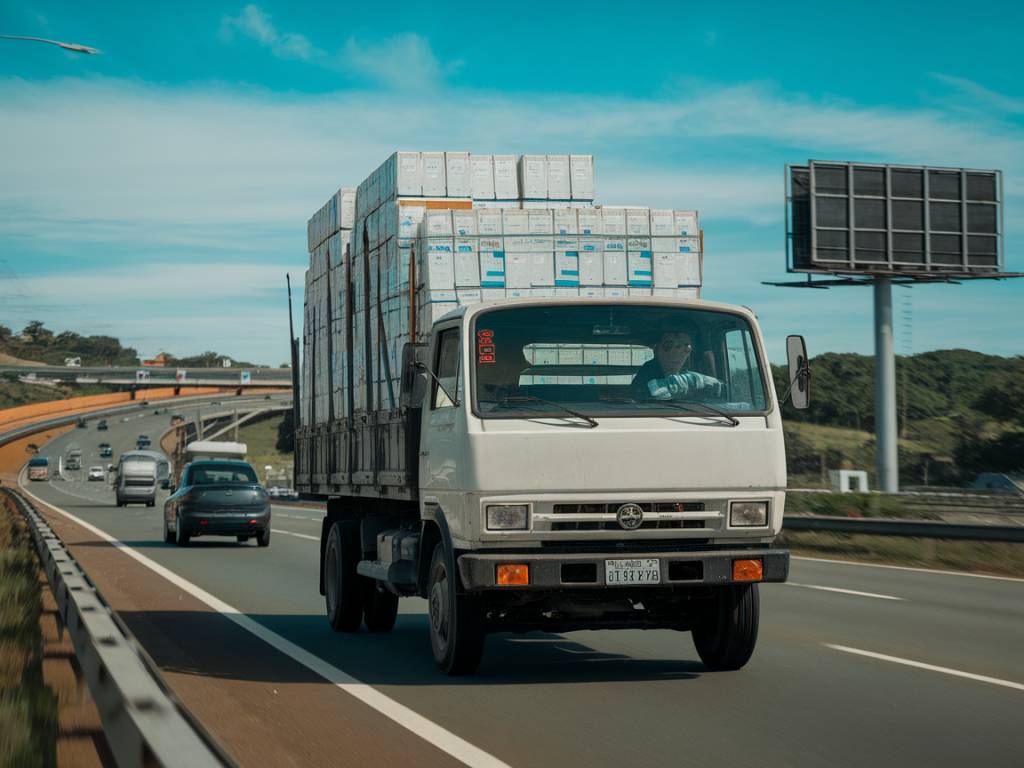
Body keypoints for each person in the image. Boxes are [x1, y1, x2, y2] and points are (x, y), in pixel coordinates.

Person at [630, 326, 724, 401]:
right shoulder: (647, 372)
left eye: (686, 348)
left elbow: (722, 390)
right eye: (668, 346)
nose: (677, 353)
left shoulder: (690, 373)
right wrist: (691, 382)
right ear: (657, 350)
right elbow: (646, 392)